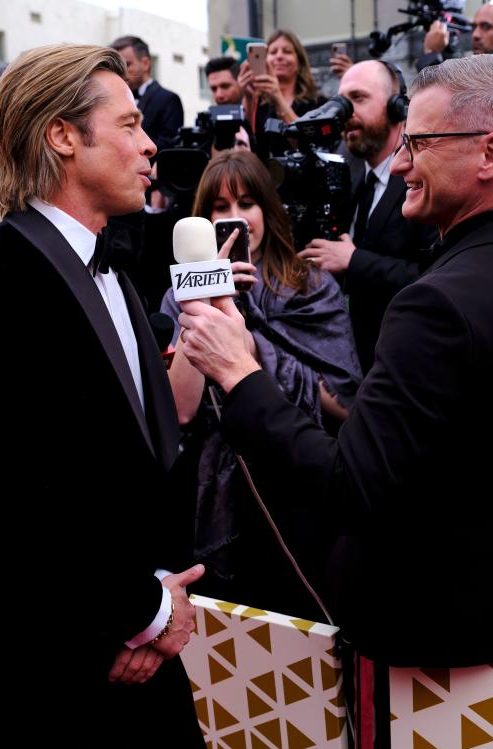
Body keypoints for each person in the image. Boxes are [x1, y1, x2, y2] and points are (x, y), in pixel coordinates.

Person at [176, 54, 493, 667]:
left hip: (434, 645)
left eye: (419, 145)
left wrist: (241, 374)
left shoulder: (436, 304)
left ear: (492, 153)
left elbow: (349, 484)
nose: (399, 164)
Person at [0, 44, 204, 745]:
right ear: (63, 136)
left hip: (139, 671)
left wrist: (158, 599)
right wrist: (145, 611)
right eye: (130, 124)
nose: (150, 144)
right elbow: (4, 501)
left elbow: (140, 462)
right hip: (36, 682)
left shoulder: (120, 276)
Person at [161, 150, 361, 616]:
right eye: (220, 207)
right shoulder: (182, 292)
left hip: (298, 471)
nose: (234, 219)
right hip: (216, 486)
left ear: (267, 211)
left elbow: (346, 401)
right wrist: (205, 300)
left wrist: (251, 348)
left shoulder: (312, 286)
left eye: (246, 203)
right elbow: (182, 409)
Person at [299, 60, 437, 372]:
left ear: (397, 107)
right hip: (358, 360)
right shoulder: (352, 176)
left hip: (409, 362)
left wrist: (355, 261)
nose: (346, 113)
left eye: (358, 99)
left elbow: (436, 276)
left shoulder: (423, 182)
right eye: (342, 101)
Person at [240, 29, 326, 135]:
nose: (279, 56)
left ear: (299, 62)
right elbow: (246, 137)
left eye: (287, 51)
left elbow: (309, 138)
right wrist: (248, 98)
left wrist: (277, 97)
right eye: (273, 52)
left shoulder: (317, 103)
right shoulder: (258, 101)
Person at [111, 35, 184, 153]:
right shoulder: (115, 100)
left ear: (145, 63)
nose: (121, 72)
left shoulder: (169, 99)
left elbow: (170, 147)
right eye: (118, 67)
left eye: (127, 64)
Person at [417, 3, 493, 71]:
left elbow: (435, 95)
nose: (475, 35)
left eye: (486, 27)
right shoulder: (474, 69)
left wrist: (431, 52)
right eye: (474, 27)